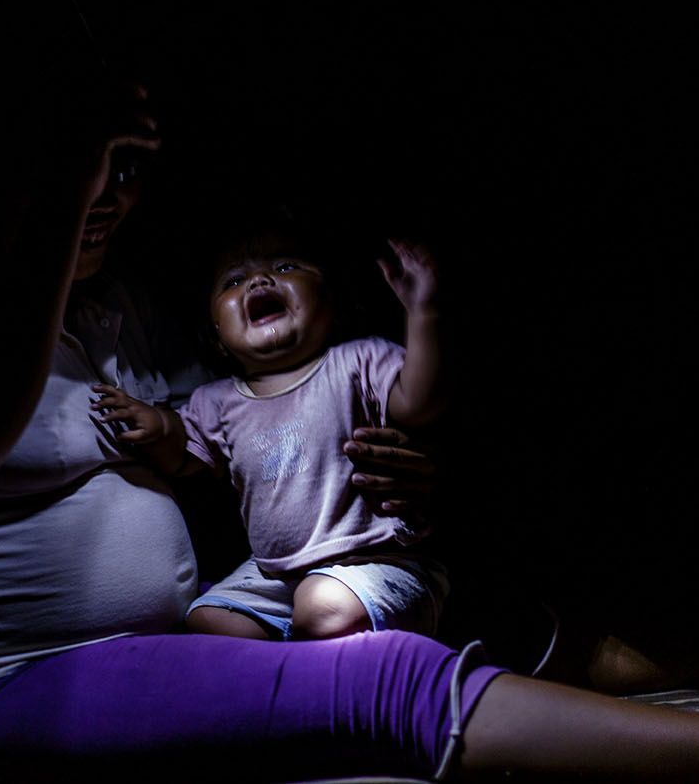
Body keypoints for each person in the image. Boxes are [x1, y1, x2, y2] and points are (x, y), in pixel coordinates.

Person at [0, 57, 699, 784]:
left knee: (492, 611)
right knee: (376, 671)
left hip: (185, 621)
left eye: (131, 170)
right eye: (91, 161)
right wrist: (65, 192)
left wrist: (399, 466)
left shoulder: (121, 304)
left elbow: (255, 422)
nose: (110, 192)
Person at [90, 232, 449, 641]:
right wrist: (157, 426)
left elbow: (420, 403)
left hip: (377, 558)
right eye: (234, 281)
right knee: (208, 619)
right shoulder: (217, 401)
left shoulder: (359, 361)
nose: (259, 280)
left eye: (285, 267)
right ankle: (306, 642)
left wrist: (424, 313)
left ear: (330, 302)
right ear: (218, 338)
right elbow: (182, 454)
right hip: (276, 573)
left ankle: (363, 621)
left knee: (322, 606)